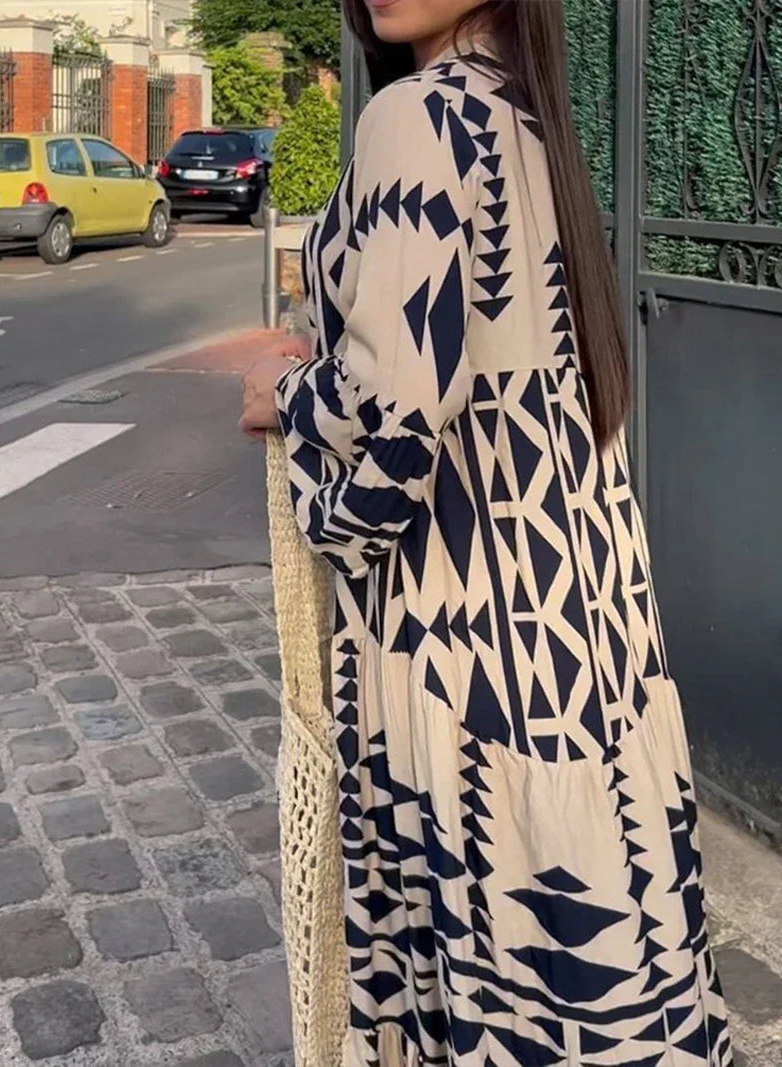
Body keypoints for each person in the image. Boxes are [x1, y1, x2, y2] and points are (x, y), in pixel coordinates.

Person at [239, 1, 733, 1063]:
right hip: (587, 627)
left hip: (466, 639)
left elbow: (390, 434)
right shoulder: (529, 116)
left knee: (480, 998)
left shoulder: (417, 117)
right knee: (597, 973)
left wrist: (284, 392)